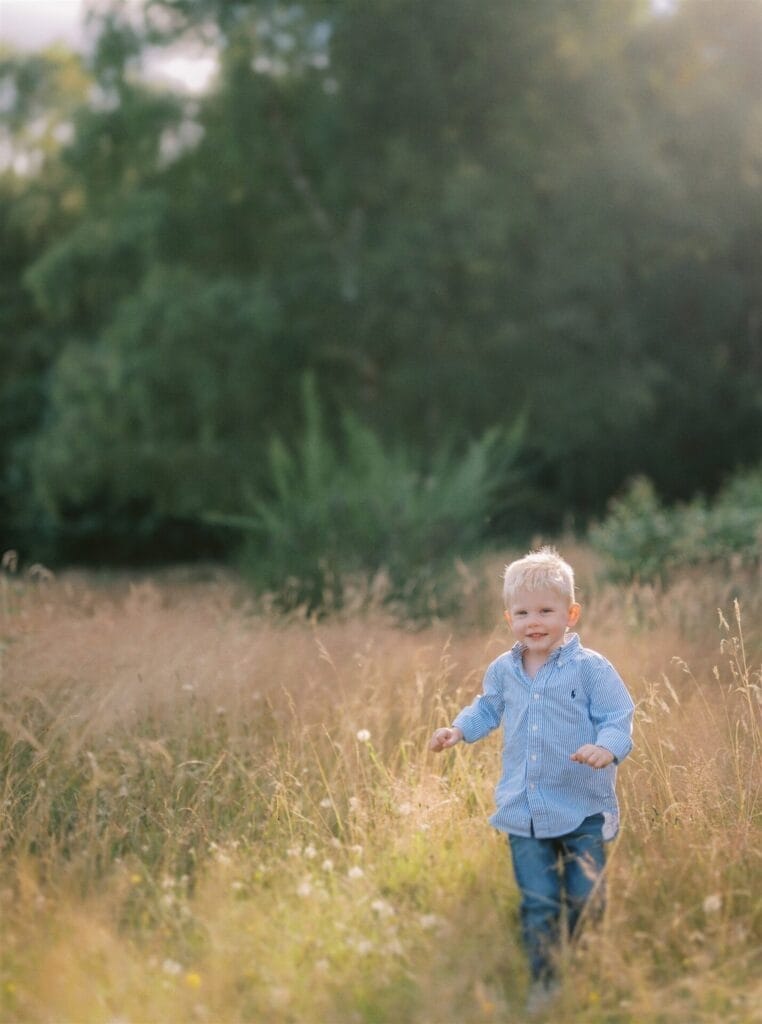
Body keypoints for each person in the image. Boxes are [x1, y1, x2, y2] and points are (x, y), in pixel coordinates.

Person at [429, 547, 634, 1014]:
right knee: (540, 902)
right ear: (509, 617)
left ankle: (582, 962)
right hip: (524, 808)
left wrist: (608, 747)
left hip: (581, 806)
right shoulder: (504, 670)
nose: (534, 621)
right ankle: (546, 981)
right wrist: (458, 730)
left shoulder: (590, 668)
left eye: (546, 610)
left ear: (570, 613)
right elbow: (487, 707)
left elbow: (617, 716)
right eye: (523, 612)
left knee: (586, 897)